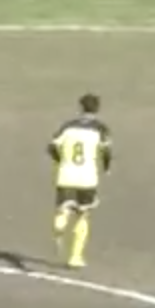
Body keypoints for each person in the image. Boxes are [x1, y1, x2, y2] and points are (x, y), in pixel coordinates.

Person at [48, 92, 113, 269]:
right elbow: (106, 151)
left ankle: (60, 224)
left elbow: (51, 146)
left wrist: (60, 159)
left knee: (64, 210)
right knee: (83, 215)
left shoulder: (68, 126)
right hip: (87, 178)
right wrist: (106, 167)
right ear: (98, 109)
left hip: (66, 175)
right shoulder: (100, 129)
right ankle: (75, 258)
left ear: (80, 107)